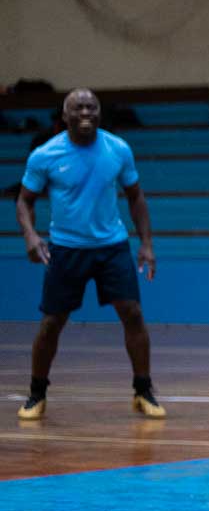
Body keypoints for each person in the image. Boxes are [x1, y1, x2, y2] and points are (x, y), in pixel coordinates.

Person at [15, 89, 165, 420]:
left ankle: (143, 391)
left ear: (99, 113)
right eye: (78, 107)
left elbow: (136, 197)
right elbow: (24, 200)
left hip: (111, 246)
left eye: (91, 107)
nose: (85, 112)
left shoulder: (118, 149)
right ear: (64, 116)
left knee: (133, 313)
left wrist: (146, 244)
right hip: (66, 248)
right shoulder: (45, 155)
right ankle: (37, 394)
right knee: (52, 322)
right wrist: (30, 236)